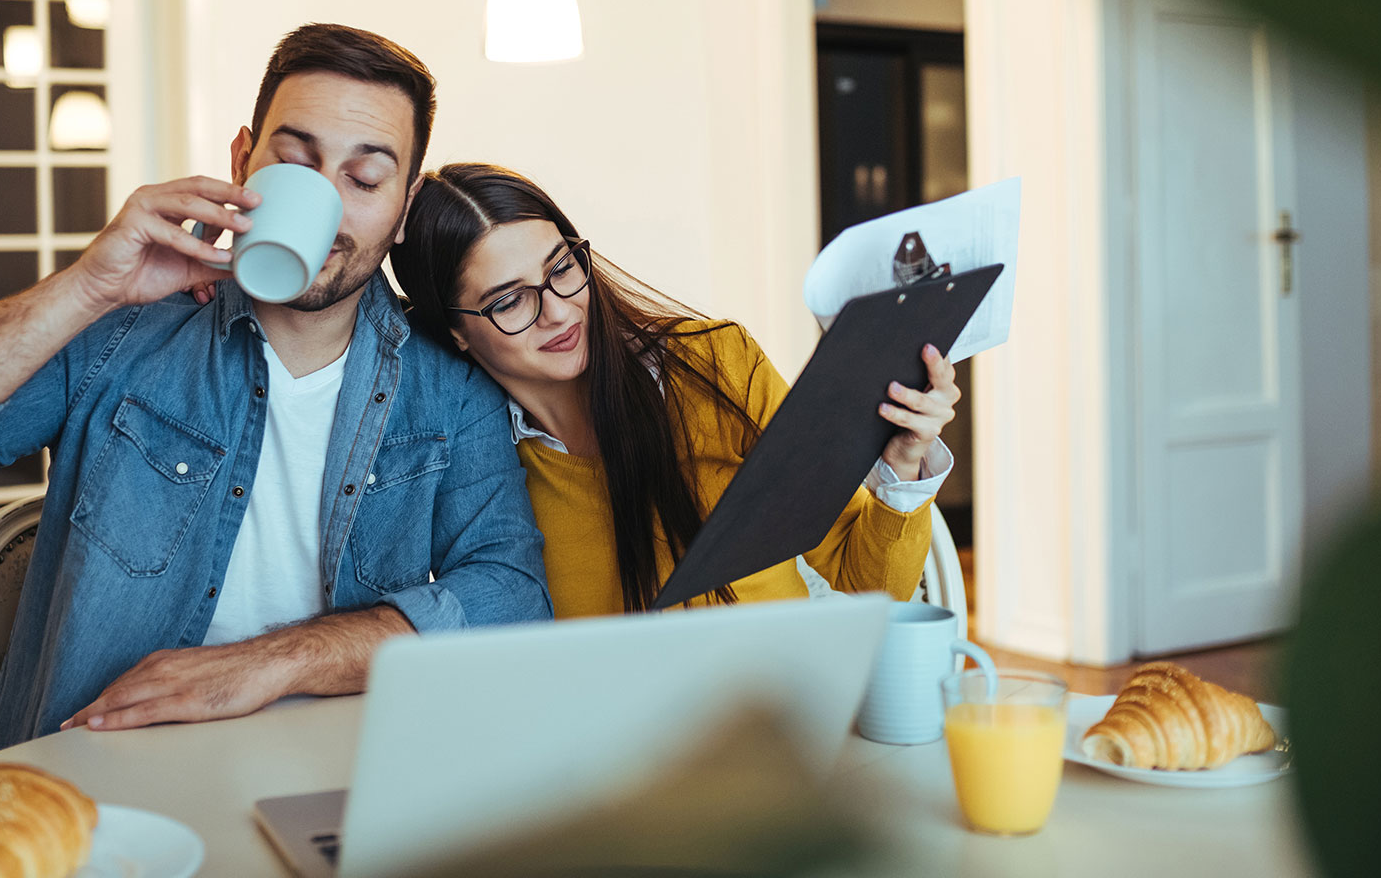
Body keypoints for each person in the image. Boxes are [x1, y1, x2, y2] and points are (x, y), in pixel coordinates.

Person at [0, 26, 551, 756]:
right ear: (243, 161)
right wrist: (86, 288)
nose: (323, 202)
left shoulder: (448, 389)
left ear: (403, 210)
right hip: (98, 777)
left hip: (338, 776)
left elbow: (511, 595)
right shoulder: (120, 333)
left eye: (363, 181)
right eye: (294, 163)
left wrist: (272, 662)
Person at [389, 163, 959, 617]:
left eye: (561, 267)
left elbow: (868, 585)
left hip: (778, 714)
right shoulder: (477, 467)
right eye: (509, 300)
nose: (559, 312)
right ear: (456, 331)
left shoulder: (715, 365)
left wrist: (904, 462)